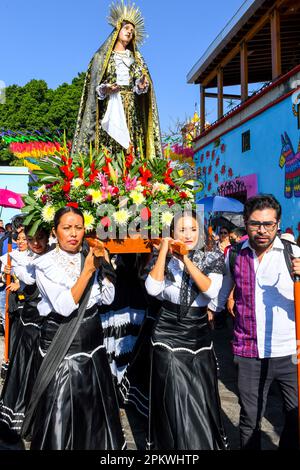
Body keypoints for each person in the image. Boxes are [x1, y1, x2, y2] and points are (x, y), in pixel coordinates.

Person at [22, 207, 125, 450]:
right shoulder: (44, 264)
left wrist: (105, 264)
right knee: (63, 412)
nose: (73, 233)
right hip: (63, 345)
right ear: (55, 231)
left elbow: (108, 299)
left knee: (93, 413)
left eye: (78, 228)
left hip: (93, 345)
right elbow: (65, 305)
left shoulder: (89, 255)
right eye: (66, 228)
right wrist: (89, 270)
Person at [211, 194, 300, 449]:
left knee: (295, 416)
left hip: (290, 352)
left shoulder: (293, 253)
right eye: (255, 224)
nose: (262, 230)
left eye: (268, 224)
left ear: (278, 224)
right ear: (246, 224)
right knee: (250, 418)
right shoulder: (235, 254)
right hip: (249, 351)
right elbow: (218, 296)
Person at [145, 211, 228, 450]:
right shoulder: (163, 258)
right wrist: (163, 251)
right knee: (174, 395)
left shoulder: (212, 258)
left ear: (201, 233)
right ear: (172, 234)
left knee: (200, 395)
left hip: (198, 333)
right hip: (167, 331)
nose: (188, 235)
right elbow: (152, 289)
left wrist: (186, 260)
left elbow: (210, 291)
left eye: (193, 229)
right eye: (182, 230)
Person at [72, 0, 162, 160]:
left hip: (132, 109)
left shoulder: (135, 59)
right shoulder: (102, 57)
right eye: (126, 28)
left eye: (132, 31)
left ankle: (132, 182)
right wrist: (105, 89)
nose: (129, 32)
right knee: (110, 144)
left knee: (131, 144)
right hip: (110, 106)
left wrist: (141, 85)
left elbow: (140, 82)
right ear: (118, 29)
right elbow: (95, 86)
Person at [0, 226, 49, 444]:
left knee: (38, 372)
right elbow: (25, 282)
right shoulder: (24, 261)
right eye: (30, 239)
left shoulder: (52, 260)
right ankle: (18, 417)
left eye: (39, 238)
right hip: (28, 322)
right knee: (22, 370)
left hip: (44, 326)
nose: (35, 243)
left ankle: (34, 418)